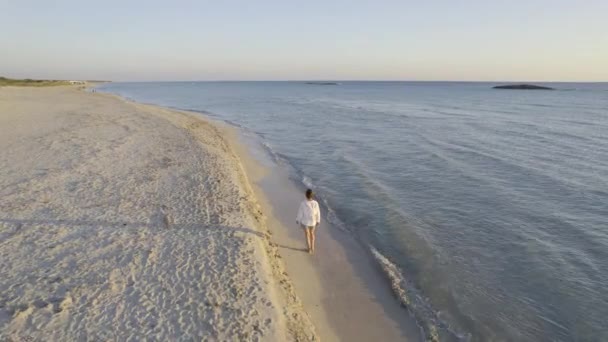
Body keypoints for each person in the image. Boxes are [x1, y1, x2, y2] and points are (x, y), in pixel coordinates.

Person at [296, 189, 321, 254]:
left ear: (306, 195)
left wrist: (298, 219)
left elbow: (300, 213)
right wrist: (318, 220)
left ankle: (310, 248)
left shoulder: (304, 203)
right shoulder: (314, 203)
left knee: (308, 234)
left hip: (307, 221)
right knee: (311, 234)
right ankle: (311, 247)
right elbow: (318, 212)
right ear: (312, 195)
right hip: (312, 221)